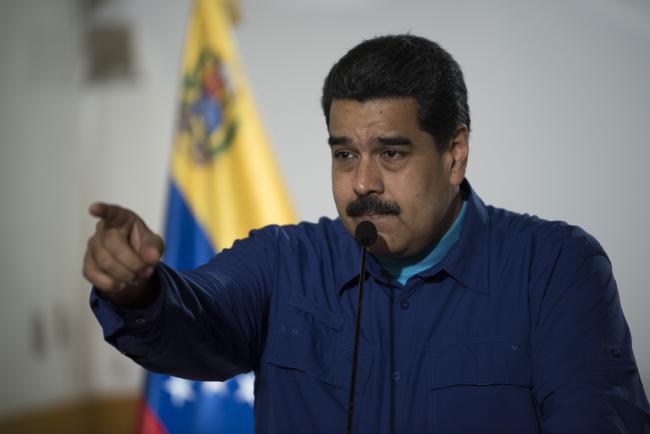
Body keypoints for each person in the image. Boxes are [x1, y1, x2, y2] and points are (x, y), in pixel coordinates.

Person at [84, 34, 650, 433]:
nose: (362, 183)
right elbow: (195, 318)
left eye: (392, 152)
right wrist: (139, 289)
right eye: (345, 153)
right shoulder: (284, 261)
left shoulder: (555, 267)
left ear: (454, 155)